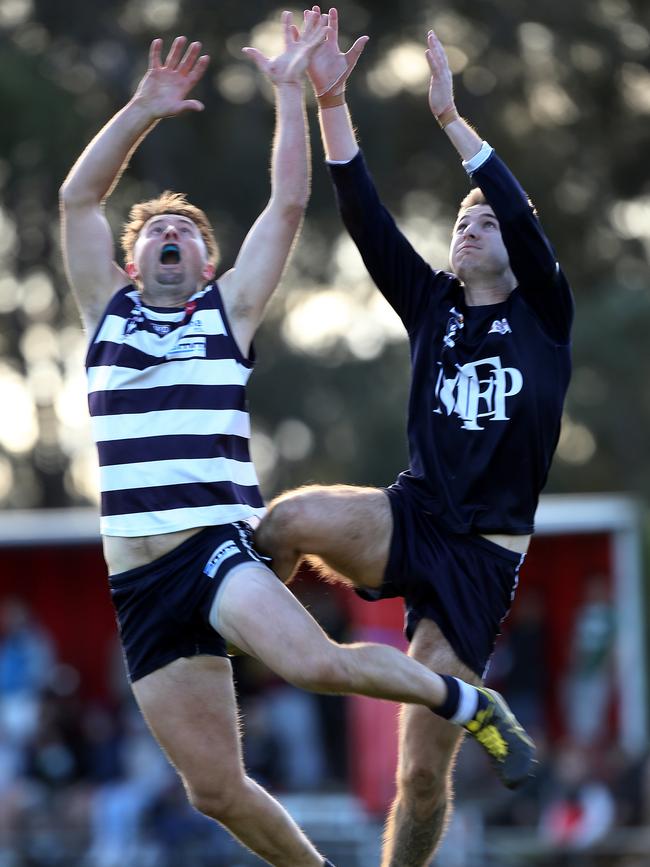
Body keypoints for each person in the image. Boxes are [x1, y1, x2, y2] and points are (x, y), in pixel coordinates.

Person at [58, 11, 534, 867]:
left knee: (310, 661)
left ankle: (466, 704)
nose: (171, 236)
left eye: (189, 233)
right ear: (131, 265)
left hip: (212, 547)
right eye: (156, 233)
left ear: (210, 264)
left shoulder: (227, 315)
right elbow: (77, 199)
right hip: (138, 583)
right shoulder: (107, 316)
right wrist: (141, 109)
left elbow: (288, 201)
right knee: (214, 790)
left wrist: (288, 94)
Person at [255, 7, 573, 866]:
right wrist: (329, 101)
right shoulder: (432, 305)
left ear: (520, 246)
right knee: (284, 522)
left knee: (421, 775)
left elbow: (516, 208)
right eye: (461, 221)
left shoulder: (545, 316)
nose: (468, 226)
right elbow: (363, 212)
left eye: (486, 222)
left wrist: (450, 120)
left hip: (481, 560)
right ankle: (246, 656)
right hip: (412, 513)